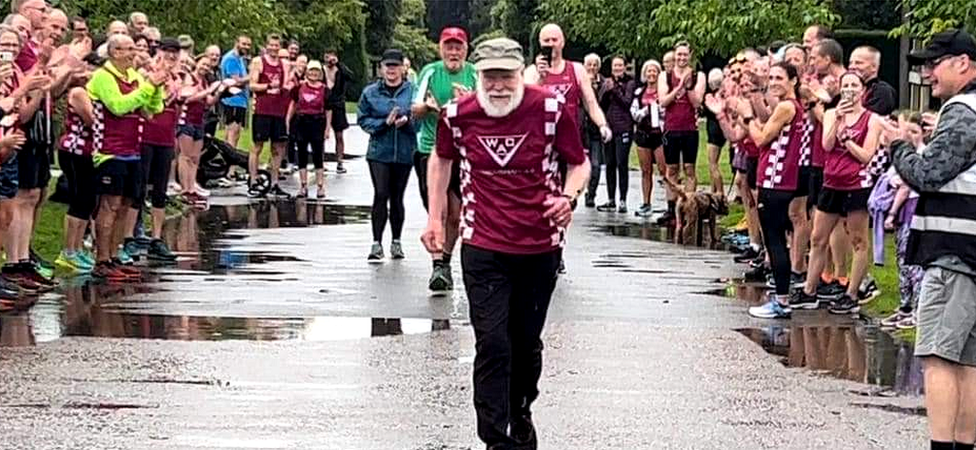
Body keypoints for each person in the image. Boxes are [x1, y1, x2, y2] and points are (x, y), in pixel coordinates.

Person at [421, 37, 589, 450]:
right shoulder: (458, 114)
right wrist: (434, 217)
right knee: (492, 341)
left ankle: (520, 410)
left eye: (506, 76)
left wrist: (567, 198)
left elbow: (579, 162)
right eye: (489, 76)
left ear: (520, 74)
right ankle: (495, 438)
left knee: (526, 342)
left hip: (539, 244)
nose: (498, 85)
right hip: (484, 243)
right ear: (478, 76)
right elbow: (441, 159)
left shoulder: (549, 108)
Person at [889, 29, 976, 450]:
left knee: (939, 356)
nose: (926, 74)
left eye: (934, 64)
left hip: (955, 253)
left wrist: (900, 147)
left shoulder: (963, 110)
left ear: (964, 63)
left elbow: (928, 174)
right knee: (968, 359)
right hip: (970, 252)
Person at [794, 71, 884, 314]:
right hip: (832, 182)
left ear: (862, 91)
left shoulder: (872, 120)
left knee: (858, 240)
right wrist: (838, 121)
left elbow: (866, 155)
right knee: (818, 237)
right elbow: (826, 145)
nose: (850, 90)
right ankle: (809, 290)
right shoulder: (833, 114)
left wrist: (849, 140)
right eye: (846, 85)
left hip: (856, 184)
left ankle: (852, 293)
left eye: (855, 85)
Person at [87, 34, 166, 280]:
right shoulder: (103, 76)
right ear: (113, 52)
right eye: (127, 49)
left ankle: (114, 255)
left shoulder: (134, 77)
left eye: (134, 49)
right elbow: (118, 106)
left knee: (125, 205)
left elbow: (153, 110)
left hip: (133, 150)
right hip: (109, 150)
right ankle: (101, 259)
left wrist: (156, 85)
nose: (133, 54)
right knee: (109, 205)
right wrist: (148, 86)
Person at [737, 62, 807, 319]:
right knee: (777, 239)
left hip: (775, 180)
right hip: (782, 179)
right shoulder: (792, 107)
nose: (775, 81)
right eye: (772, 77)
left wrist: (746, 116)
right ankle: (782, 297)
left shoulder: (787, 106)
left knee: (775, 240)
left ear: (793, 81)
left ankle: (782, 300)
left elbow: (761, 138)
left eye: (780, 77)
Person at [410, 26, 476, 292]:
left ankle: (445, 261)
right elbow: (414, 108)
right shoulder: (430, 71)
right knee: (440, 210)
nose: (453, 52)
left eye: (458, 47)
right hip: (430, 149)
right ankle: (438, 266)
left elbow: (486, 109)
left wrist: (467, 102)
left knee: (458, 214)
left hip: (464, 152)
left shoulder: (474, 74)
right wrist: (427, 107)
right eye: (449, 46)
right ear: (440, 48)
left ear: (465, 49)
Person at [357, 49, 415, 261]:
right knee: (381, 193)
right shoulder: (370, 92)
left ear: (402, 68)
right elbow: (363, 119)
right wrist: (384, 123)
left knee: (397, 196)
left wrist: (407, 121)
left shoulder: (413, 90)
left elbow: (421, 119)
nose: (391, 70)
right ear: (381, 68)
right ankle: (376, 243)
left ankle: (396, 241)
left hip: (404, 151)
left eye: (395, 66)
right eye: (387, 66)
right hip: (379, 151)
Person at [128, 38, 181, 262]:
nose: (171, 57)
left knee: (160, 190)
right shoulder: (146, 73)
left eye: (175, 53)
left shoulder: (178, 77)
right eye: (167, 52)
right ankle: (129, 236)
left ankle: (157, 238)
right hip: (146, 134)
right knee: (138, 188)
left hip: (166, 137)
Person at [879, 111, 926, 330]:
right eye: (906, 131)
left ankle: (917, 309)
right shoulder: (901, 155)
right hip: (904, 212)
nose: (910, 136)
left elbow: (906, 186)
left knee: (913, 262)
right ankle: (904, 305)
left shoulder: (920, 156)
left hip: (913, 210)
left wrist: (891, 213)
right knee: (902, 259)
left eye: (914, 132)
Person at [55, 51, 100, 273]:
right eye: (92, 68)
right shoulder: (79, 92)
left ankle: (78, 247)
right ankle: (68, 250)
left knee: (88, 200)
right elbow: (93, 120)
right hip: (75, 150)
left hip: (89, 150)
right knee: (80, 198)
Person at [658, 41, 706, 224]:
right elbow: (663, 101)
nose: (682, 58)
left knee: (689, 169)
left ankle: (689, 205)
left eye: (685, 55)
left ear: (690, 56)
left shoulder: (698, 76)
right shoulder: (666, 76)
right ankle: (671, 208)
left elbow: (697, 102)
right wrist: (678, 88)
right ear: (674, 55)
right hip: (671, 128)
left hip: (689, 129)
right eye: (679, 55)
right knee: (671, 169)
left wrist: (687, 87)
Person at [248, 33, 291, 198]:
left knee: (278, 148)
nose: (274, 48)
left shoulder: (283, 64)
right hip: (263, 109)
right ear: (266, 46)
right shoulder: (259, 62)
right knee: (257, 146)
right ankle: (253, 179)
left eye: (277, 46)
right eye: (271, 45)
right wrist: (267, 86)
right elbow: (252, 85)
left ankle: (274, 182)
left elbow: (286, 83)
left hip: (278, 110)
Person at [178, 53, 222, 203]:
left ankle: (192, 186)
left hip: (199, 120)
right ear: (197, 63)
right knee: (185, 156)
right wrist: (209, 90)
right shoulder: (190, 78)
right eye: (203, 64)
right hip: (186, 120)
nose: (205, 68)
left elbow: (208, 102)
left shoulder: (204, 81)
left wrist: (219, 92)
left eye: (208, 66)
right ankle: (185, 188)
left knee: (195, 157)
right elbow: (188, 98)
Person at [286, 59, 331, 198]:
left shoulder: (325, 90)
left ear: (320, 73)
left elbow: (329, 110)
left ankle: (320, 186)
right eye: (311, 70)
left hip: (317, 122)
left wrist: (328, 128)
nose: (313, 74)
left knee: (318, 154)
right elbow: (293, 104)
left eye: (316, 71)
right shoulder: (299, 87)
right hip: (301, 121)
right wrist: (288, 120)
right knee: (302, 154)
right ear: (307, 72)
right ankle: (303, 185)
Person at [596, 55, 635, 213]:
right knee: (610, 164)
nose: (617, 69)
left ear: (624, 67)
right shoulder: (607, 82)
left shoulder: (630, 83)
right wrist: (605, 92)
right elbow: (600, 105)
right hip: (610, 127)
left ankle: (623, 200)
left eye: (620, 66)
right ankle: (611, 199)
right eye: (615, 66)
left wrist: (615, 90)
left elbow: (627, 102)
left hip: (624, 127)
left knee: (621, 163)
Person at [631, 59, 664, 217]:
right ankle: (646, 202)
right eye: (648, 71)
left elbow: (667, 110)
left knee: (665, 170)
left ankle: (671, 203)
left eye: (654, 71)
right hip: (643, 133)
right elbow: (634, 114)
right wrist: (647, 110)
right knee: (646, 171)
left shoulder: (663, 91)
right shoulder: (639, 92)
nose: (651, 74)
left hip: (659, 134)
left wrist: (658, 109)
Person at [581, 52, 605, 207]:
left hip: (596, 130)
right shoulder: (578, 82)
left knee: (595, 165)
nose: (592, 67)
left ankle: (591, 194)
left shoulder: (605, 84)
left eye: (595, 65)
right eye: (589, 64)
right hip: (580, 129)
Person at [220, 35, 251, 149]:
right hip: (232, 99)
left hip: (240, 100)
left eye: (248, 45)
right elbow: (236, 81)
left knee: (232, 133)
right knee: (233, 132)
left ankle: (225, 161)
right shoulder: (231, 58)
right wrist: (252, 76)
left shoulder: (240, 58)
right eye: (244, 44)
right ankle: (230, 163)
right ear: (236, 43)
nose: (246, 47)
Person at [324, 48, 352, 173]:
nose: (330, 59)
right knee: (320, 134)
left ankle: (339, 161)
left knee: (339, 135)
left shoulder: (340, 70)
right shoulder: (321, 70)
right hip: (323, 104)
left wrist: (339, 64)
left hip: (338, 105)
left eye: (332, 56)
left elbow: (351, 77)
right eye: (327, 56)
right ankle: (320, 161)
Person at [849, 46, 896, 116]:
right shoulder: (849, 88)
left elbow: (865, 118)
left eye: (858, 63)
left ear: (874, 67)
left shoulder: (883, 91)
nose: (852, 67)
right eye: (850, 63)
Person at [703, 67, 726, 194]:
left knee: (713, 164)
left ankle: (720, 192)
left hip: (713, 131)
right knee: (713, 164)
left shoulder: (711, 97)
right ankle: (713, 190)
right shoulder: (724, 95)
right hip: (721, 130)